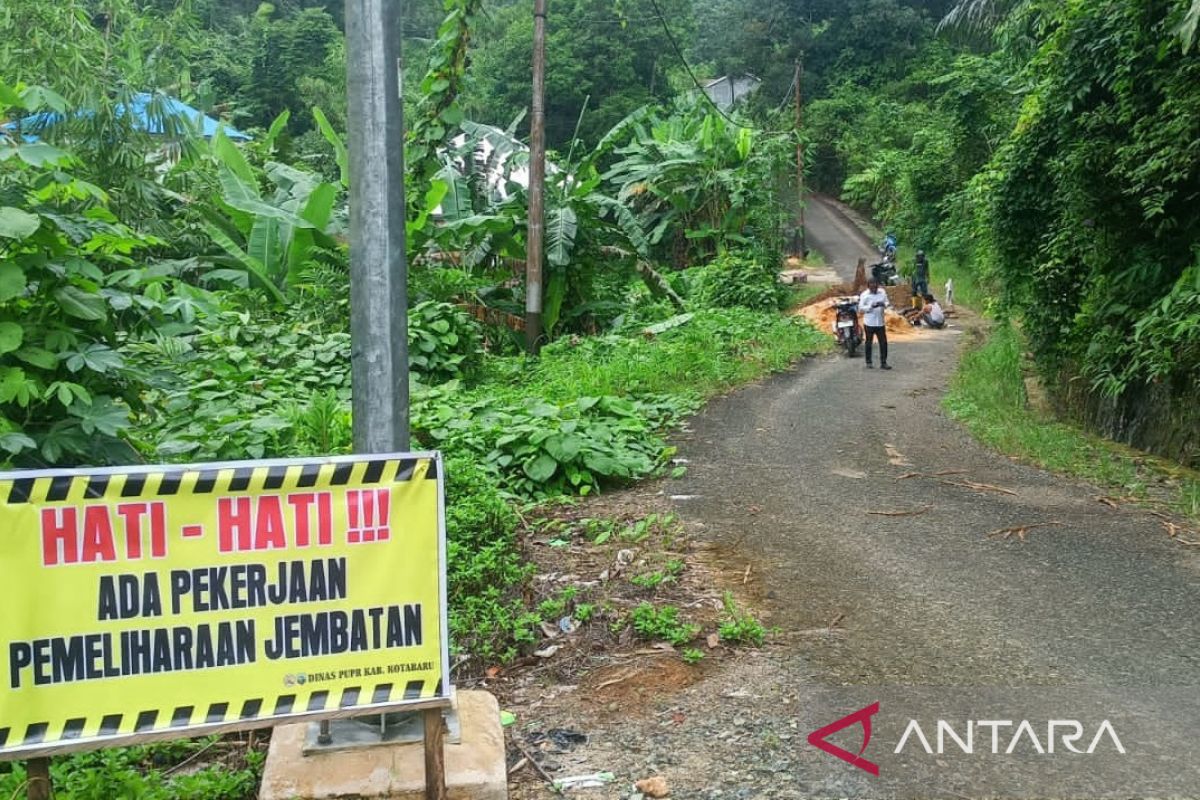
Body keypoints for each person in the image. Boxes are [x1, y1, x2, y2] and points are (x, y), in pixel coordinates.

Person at [858, 277, 892, 370]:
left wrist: (883, 304)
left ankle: (883, 362)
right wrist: (870, 306)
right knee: (869, 342)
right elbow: (860, 308)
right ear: (868, 286)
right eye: (872, 287)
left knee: (883, 343)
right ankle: (868, 362)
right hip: (869, 322)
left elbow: (887, 302)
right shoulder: (864, 295)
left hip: (880, 322)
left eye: (875, 286)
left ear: (878, 285)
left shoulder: (882, 292)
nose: (874, 288)